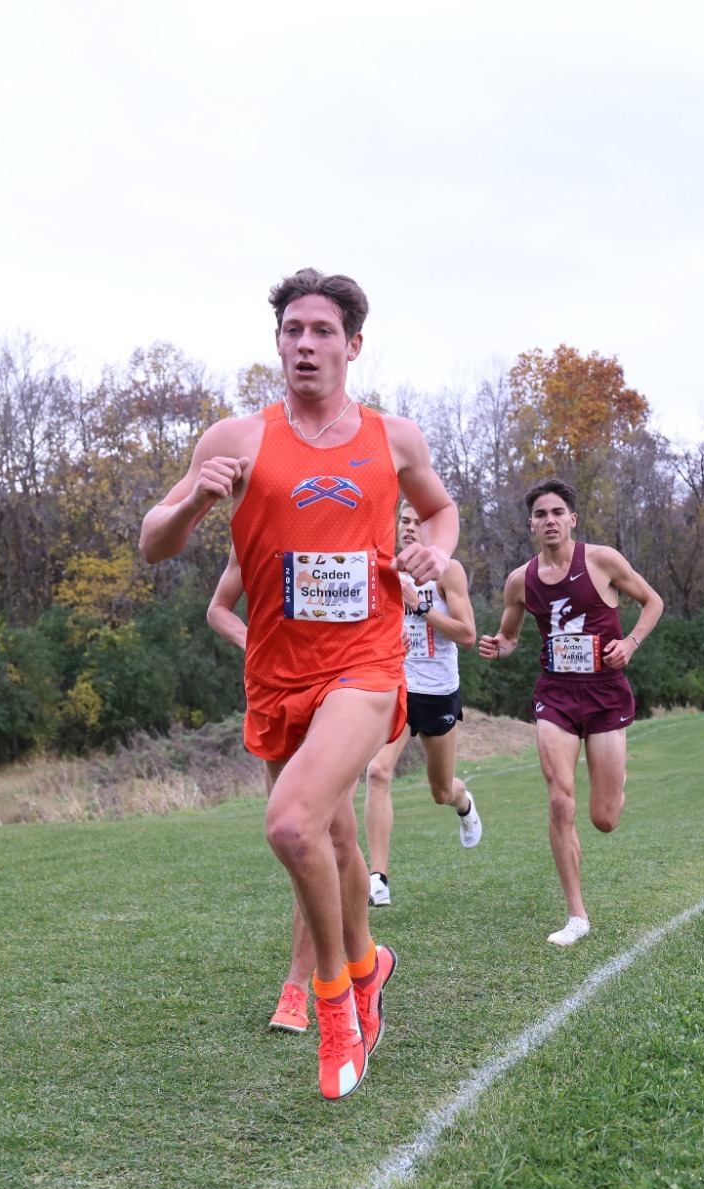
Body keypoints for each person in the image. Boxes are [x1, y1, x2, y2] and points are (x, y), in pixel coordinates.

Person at [140, 267, 459, 1101]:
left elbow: (441, 509)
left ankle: (335, 1005)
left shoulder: (395, 438)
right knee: (335, 839)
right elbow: (151, 541)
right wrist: (191, 507)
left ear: (353, 345)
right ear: (277, 344)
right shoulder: (236, 440)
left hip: (365, 664)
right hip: (277, 674)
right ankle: (369, 963)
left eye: (322, 331)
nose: (305, 344)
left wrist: (433, 550)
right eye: (292, 331)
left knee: (288, 826)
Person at [478, 478, 664, 946]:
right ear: (531, 525)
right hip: (556, 695)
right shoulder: (521, 580)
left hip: (605, 694)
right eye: (541, 515)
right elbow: (511, 637)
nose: (550, 521)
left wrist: (631, 643)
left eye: (558, 512)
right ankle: (577, 915)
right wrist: (496, 647)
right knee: (561, 800)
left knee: (604, 818)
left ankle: (616, 780)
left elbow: (652, 601)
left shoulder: (601, 561)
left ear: (572, 519)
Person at [206, 556, 320, 1035]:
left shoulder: (340, 517)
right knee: (296, 843)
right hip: (274, 690)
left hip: (336, 685)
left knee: (321, 832)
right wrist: (252, 641)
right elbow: (219, 608)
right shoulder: (253, 533)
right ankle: (359, 954)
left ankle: (301, 985)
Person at [363, 502, 483, 909]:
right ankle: (378, 878)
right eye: (405, 521)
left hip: (439, 693)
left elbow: (467, 635)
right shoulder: (384, 568)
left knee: (440, 790)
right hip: (394, 687)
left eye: (419, 522)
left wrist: (421, 606)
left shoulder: (448, 571)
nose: (410, 529)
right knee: (378, 772)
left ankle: (463, 802)